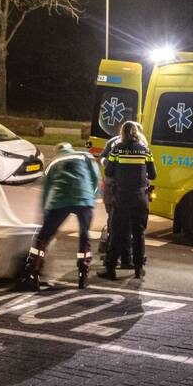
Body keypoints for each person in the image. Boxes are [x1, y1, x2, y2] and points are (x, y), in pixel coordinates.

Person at [21, 142, 101, 290]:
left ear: (57, 151)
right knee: (84, 236)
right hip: (83, 198)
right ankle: (83, 273)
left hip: (60, 200)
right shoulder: (85, 156)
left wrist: (46, 216)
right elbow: (95, 178)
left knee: (42, 239)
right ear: (70, 148)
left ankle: (33, 273)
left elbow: (46, 191)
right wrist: (91, 197)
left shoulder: (53, 163)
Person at [99, 121, 156, 280]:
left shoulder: (116, 150)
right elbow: (152, 175)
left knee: (117, 232)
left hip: (122, 197)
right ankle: (138, 268)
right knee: (139, 233)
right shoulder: (145, 150)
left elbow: (109, 171)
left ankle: (110, 269)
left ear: (122, 133)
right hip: (140, 198)